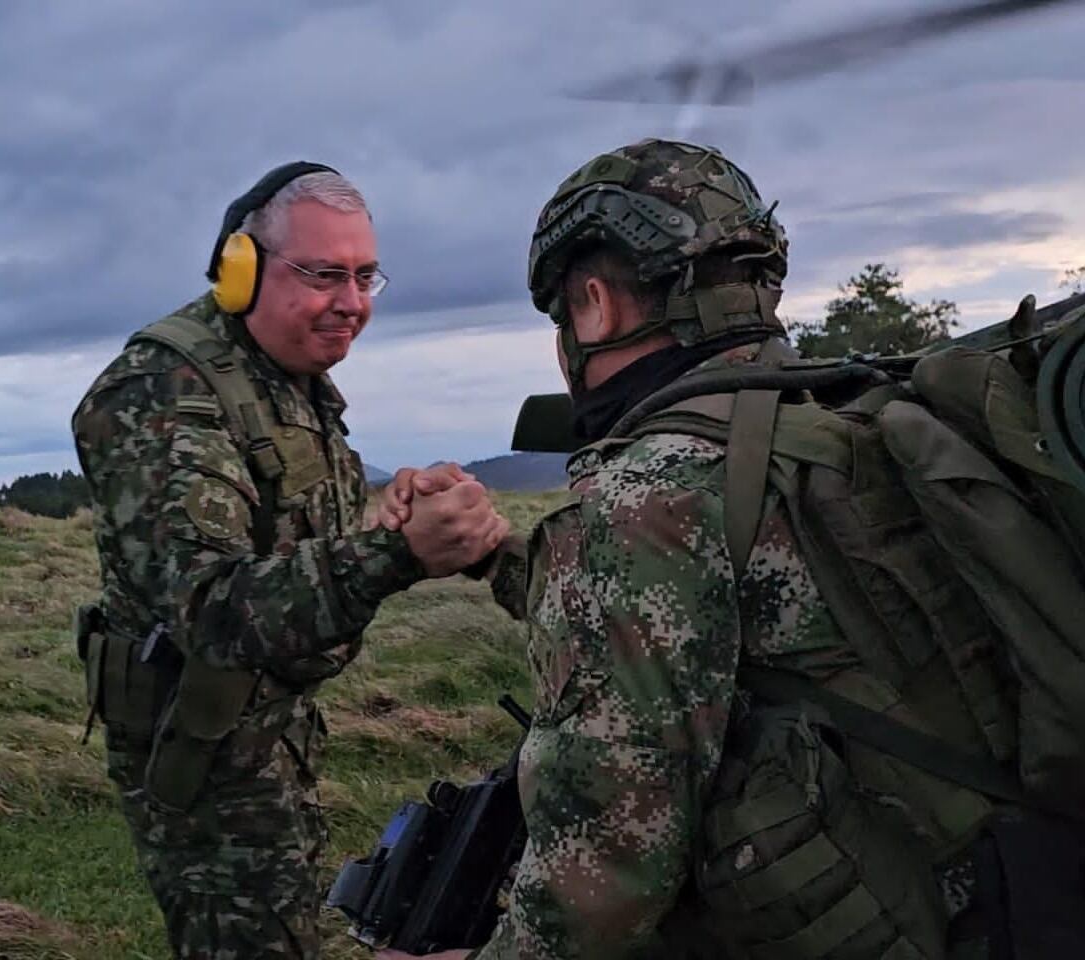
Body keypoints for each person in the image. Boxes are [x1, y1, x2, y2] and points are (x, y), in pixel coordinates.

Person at [380, 138, 1085, 960]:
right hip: (1020, 895)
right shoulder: (848, 422)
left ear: (596, 305)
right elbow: (707, 619)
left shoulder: (647, 493)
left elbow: (604, 874)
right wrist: (496, 554)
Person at [71, 161, 508, 960]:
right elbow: (212, 609)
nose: (352, 303)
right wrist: (396, 553)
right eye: (323, 275)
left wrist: (394, 507)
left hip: (268, 731)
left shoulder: (284, 377)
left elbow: (293, 531)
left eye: (366, 277)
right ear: (241, 269)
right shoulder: (162, 393)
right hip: (204, 757)